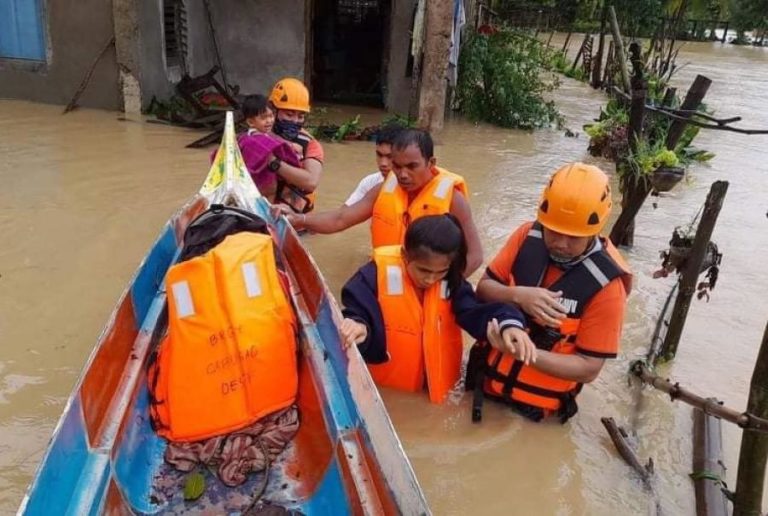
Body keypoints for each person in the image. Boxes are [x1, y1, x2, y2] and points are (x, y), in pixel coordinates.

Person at [470, 162, 632, 423]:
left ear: (595, 230)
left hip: (536, 413)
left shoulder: (608, 286)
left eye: (573, 238)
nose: (560, 244)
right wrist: (519, 295)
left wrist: (521, 353)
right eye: (553, 231)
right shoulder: (526, 236)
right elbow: (484, 288)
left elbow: (588, 368)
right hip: (484, 385)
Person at [339, 214, 536, 404]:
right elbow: (358, 311)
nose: (430, 279)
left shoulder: (452, 283)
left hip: (436, 392)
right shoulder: (372, 276)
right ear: (404, 255)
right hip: (386, 393)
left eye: (440, 272)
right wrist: (359, 326)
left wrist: (508, 323)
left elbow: (476, 312)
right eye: (423, 270)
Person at [277, 129, 484, 276]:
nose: (403, 174)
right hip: (389, 279)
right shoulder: (384, 188)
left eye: (412, 166)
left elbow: (475, 256)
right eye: (398, 166)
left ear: (431, 163)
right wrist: (299, 219)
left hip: (430, 282)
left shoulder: (452, 199)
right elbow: (341, 219)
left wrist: (445, 289)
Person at [266, 78, 325, 213]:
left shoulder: (310, 144)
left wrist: (273, 162)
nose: (295, 121)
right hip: (258, 207)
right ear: (274, 111)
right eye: (289, 114)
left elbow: (311, 181)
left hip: (291, 215)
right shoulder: (255, 137)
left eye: (301, 116)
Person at [232, 94, 301, 199]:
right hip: (264, 187)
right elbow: (279, 149)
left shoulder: (253, 136)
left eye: (271, 115)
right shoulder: (258, 141)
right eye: (264, 118)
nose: (269, 120)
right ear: (250, 122)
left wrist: (290, 144)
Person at [343, 125, 402, 206]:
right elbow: (343, 214)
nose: (383, 163)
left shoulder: (412, 187)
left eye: (390, 157)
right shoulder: (369, 182)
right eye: (379, 155)